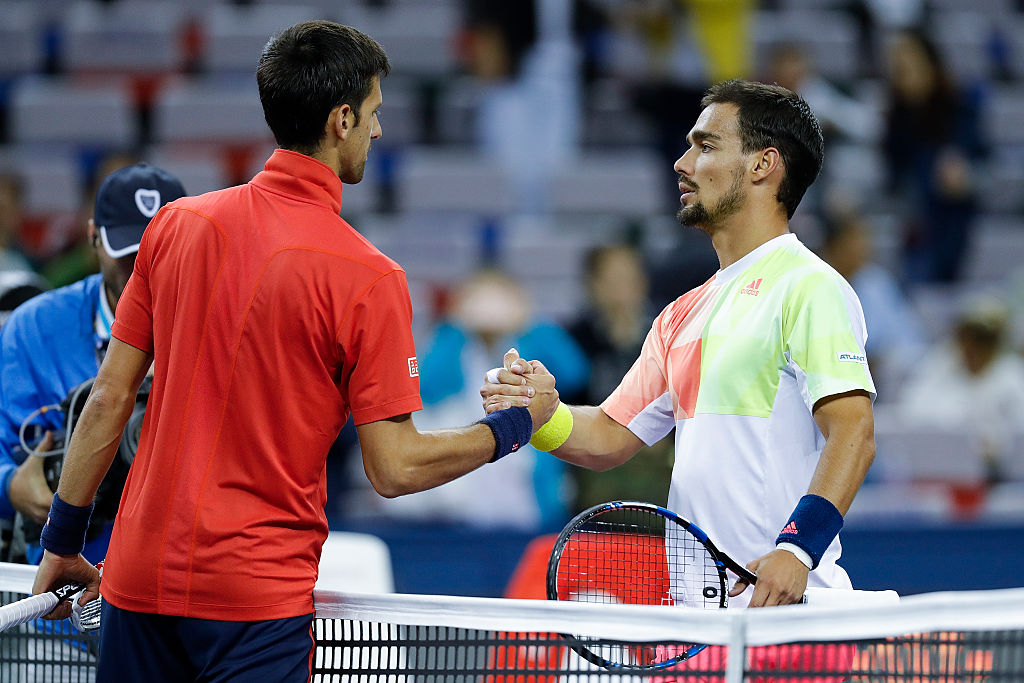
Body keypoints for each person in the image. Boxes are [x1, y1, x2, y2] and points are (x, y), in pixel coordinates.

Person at [31, 21, 556, 683]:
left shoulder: (175, 226)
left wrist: (61, 540)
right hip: (253, 605)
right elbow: (393, 468)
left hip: (140, 583)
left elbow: (107, 398)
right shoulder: (371, 278)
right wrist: (516, 425)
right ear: (341, 120)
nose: (379, 130)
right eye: (373, 114)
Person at [484, 80, 876, 611]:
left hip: (787, 619)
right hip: (695, 624)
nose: (682, 163)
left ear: (763, 165)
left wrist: (799, 549)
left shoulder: (811, 287)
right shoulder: (679, 315)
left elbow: (854, 431)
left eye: (706, 146)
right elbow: (609, 436)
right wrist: (542, 415)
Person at [0, 163, 187, 565]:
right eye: (129, 253)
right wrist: (12, 485)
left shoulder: (220, 328)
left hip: (176, 575)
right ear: (93, 238)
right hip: (59, 587)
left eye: (159, 251)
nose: (144, 269)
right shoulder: (35, 327)